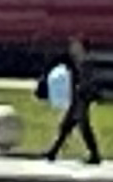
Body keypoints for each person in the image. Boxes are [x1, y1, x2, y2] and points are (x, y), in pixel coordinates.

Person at [38, 35, 104, 164]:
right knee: (66, 126)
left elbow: (87, 81)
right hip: (77, 97)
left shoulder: (85, 62)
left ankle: (94, 154)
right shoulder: (76, 61)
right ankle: (53, 152)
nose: (71, 48)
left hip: (82, 98)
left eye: (75, 45)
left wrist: (83, 92)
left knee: (82, 127)